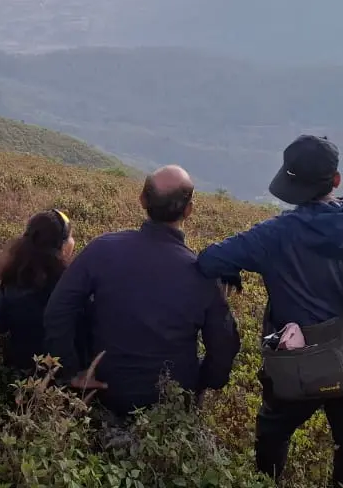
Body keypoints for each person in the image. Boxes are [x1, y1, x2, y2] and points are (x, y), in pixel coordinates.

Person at [195, 135, 343, 487]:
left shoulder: (274, 235)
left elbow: (209, 260)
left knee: (273, 432)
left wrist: (232, 271)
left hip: (298, 363)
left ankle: (268, 481)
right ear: (335, 180)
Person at [43, 166, 240, 418]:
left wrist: (70, 371)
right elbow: (224, 344)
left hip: (104, 394)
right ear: (188, 210)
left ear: (142, 200)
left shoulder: (102, 250)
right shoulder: (201, 273)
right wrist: (201, 383)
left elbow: (58, 310)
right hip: (170, 405)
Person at [0, 209, 80, 377]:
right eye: (70, 237)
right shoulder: (68, 285)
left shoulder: (12, 278)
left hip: (12, 373)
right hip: (58, 376)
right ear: (62, 245)